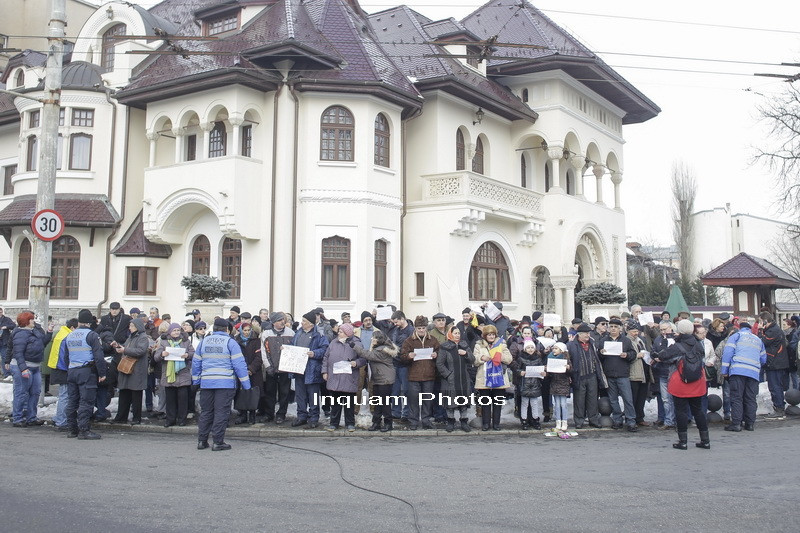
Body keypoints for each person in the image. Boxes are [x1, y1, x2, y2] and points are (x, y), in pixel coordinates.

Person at [192, 318, 250, 450]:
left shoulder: (204, 342)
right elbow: (239, 365)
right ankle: (218, 442)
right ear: (227, 330)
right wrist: (246, 384)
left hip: (206, 383)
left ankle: (202, 441)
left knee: (206, 412)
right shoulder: (231, 342)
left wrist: (196, 380)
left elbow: (196, 363)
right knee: (221, 412)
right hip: (225, 384)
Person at [57, 309, 108, 439]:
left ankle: (72, 430)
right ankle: (84, 431)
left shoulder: (70, 335)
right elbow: (98, 356)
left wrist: (70, 369)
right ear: (89, 322)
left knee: (72, 401)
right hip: (86, 372)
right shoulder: (92, 335)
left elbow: (66, 356)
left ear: (79, 321)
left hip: (72, 371)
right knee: (86, 402)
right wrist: (102, 373)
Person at [665, 319, 711, 450]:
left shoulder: (677, 346)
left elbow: (664, 356)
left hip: (680, 381)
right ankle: (705, 440)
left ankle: (683, 442)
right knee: (698, 410)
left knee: (681, 411)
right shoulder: (699, 344)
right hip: (697, 380)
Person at [3, 311, 53, 427]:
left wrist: (49, 332)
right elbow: (18, 353)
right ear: (26, 321)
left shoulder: (34, 331)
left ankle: (31, 417)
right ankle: (18, 418)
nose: (33, 321)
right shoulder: (20, 333)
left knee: (35, 393)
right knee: (21, 393)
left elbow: (42, 343)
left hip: (35, 366)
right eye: (31, 319)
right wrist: (23, 369)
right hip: (23, 366)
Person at [720, 321, 767, 432]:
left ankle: (736, 424)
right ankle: (750, 424)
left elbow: (727, 354)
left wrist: (724, 371)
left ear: (740, 328)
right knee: (750, 398)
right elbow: (764, 359)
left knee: (737, 398)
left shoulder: (736, 336)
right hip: (753, 373)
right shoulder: (758, 340)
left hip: (738, 371)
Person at [322, 323, 366, 432]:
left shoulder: (356, 344)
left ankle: (350, 424)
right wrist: (324, 371)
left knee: (349, 403)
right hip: (335, 376)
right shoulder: (333, 342)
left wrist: (355, 363)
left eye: (341, 332)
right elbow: (326, 358)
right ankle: (334, 423)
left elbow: (363, 358)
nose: (338, 333)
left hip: (348, 377)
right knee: (335, 403)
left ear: (347, 333)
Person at [399, 316, 440, 430]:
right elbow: (402, 356)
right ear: (415, 329)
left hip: (429, 374)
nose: (421, 330)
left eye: (423, 328)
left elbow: (439, 352)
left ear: (426, 328)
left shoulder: (433, 340)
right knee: (413, 400)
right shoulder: (409, 341)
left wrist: (436, 355)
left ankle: (426, 420)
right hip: (414, 375)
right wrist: (408, 356)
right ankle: (413, 421)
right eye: (419, 328)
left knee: (427, 399)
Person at [598, 318, 638, 432]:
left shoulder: (626, 341)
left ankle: (631, 421)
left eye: (616, 327)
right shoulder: (603, 340)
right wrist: (601, 353)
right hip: (610, 374)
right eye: (611, 327)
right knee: (613, 400)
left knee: (627, 399)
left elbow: (633, 354)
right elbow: (599, 357)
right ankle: (617, 420)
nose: (613, 329)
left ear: (620, 329)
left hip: (622, 374)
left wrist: (627, 355)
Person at [354, 329, 399, 432]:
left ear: (378, 339)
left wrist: (354, 346)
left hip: (385, 379)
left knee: (384, 402)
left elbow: (368, 355)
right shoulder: (378, 348)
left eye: (373, 337)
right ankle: (376, 422)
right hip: (378, 378)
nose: (372, 339)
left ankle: (388, 423)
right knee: (377, 401)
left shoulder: (382, 350)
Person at [153, 323, 195, 427]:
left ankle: (182, 419)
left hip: (183, 373)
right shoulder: (163, 342)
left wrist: (187, 355)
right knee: (170, 399)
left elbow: (193, 353)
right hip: (169, 374)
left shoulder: (186, 341)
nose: (176, 332)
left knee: (183, 399)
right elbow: (156, 357)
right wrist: (162, 354)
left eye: (178, 330)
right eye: (174, 330)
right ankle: (170, 419)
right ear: (169, 332)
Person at [291, 312, 329, 428]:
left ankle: (314, 418)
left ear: (311, 324)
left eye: (304, 321)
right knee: (300, 395)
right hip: (299, 369)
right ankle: (301, 416)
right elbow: (292, 346)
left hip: (312, 370)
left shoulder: (319, 335)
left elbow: (325, 350)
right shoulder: (298, 333)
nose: (301, 323)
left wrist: (314, 353)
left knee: (313, 395)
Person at [435, 325, 474, 432]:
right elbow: (439, 363)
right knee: (450, 403)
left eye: (458, 333)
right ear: (450, 334)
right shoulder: (444, 346)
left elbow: (472, 359)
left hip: (463, 378)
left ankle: (464, 421)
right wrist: (448, 374)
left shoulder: (464, 345)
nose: (457, 335)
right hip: (450, 379)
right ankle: (450, 421)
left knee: (463, 402)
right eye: (455, 333)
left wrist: (466, 353)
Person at [473, 325, 512, 431]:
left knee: (497, 402)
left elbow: (509, 359)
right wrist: (481, 358)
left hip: (498, 377)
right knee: (485, 402)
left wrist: (500, 357)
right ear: (485, 335)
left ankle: (496, 423)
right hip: (484, 377)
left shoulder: (502, 344)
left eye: (493, 334)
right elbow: (474, 359)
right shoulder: (478, 345)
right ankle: (486, 423)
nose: (491, 336)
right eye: (489, 334)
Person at [112, 318, 151, 425]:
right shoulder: (131, 337)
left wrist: (124, 350)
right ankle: (121, 417)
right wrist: (119, 346)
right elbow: (127, 347)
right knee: (124, 393)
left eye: (131, 326)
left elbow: (140, 351)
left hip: (136, 370)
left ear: (137, 327)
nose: (129, 328)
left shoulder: (143, 337)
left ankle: (136, 418)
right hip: (127, 369)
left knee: (136, 396)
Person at [567, 323, 606, 429]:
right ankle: (579, 421)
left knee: (592, 399)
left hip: (592, 375)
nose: (588, 335)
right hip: (578, 376)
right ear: (579, 334)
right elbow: (568, 360)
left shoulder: (592, 343)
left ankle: (593, 419)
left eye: (588, 333)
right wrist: (570, 374)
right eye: (585, 333)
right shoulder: (571, 345)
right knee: (579, 400)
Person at [261, 311, 295, 424]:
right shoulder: (266, 333)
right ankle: (269, 413)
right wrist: (268, 366)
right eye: (279, 320)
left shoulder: (291, 333)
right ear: (274, 322)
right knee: (270, 392)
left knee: (284, 392)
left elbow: (294, 349)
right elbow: (264, 352)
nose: (282, 322)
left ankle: (281, 414)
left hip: (285, 368)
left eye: (283, 320)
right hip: (272, 367)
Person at [48, 318, 78, 431]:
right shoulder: (67, 337)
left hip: (58, 368)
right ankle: (61, 420)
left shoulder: (62, 333)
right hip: (63, 370)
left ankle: (59, 418)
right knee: (65, 396)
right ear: (73, 328)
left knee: (63, 396)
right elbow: (64, 357)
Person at [759, 311, 789, 416]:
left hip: (775, 363)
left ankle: (779, 408)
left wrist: (760, 330)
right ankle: (779, 406)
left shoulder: (773, 331)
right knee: (775, 386)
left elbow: (763, 341)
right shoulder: (774, 329)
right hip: (775, 362)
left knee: (775, 386)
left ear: (765, 321)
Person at [626, 320, 653, 427]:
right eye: (633, 331)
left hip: (644, 372)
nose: (635, 333)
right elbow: (626, 356)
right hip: (634, 373)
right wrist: (637, 356)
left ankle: (640, 417)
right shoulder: (626, 341)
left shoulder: (640, 340)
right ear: (628, 331)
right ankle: (632, 418)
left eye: (636, 331)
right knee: (633, 398)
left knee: (642, 397)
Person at [651, 321, 677, 429]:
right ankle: (669, 421)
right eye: (661, 329)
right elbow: (653, 351)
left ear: (671, 328)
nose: (663, 332)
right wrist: (655, 357)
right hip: (662, 372)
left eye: (665, 329)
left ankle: (676, 420)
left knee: (675, 398)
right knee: (665, 399)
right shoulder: (658, 339)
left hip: (674, 372)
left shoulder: (676, 339)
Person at [515, 339, 545, 430]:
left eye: (532, 347)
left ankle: (535, 420)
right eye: (528, 347)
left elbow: (542, 369)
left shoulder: (538, 358)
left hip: (535, 384)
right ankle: (524, 420)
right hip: (525, 384)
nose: (530, 349)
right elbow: (516, 369)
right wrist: (520, 372)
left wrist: (543, 373)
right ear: (524, 349)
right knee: (524, 403)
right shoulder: (521, 358)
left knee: (534, 403)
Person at [238, 322, 263, 426]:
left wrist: (251, 369)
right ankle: (242, 415)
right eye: (245, 330)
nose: (247, 332)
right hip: (240, 371)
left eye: (248, 330)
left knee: (253, 393)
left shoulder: (256, 341)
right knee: (241, 393)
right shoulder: (236, 341)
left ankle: (252, 415)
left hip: (254, 372)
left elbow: (259, 357)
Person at [549, 342, 572, 432]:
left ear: (561, 350)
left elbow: (571, 372)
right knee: (557, 404)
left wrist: (568, 368)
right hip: (554, 383)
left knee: (563, 404)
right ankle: (558, 421)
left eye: (556, 348)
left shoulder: (566, 358)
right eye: (553, 348)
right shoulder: (550, 358)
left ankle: (564, 421)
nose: (554, 350)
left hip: (563, 383)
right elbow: (550, 374)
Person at [0, 307, 17, 379]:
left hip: (4, 341)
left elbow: (14, 326)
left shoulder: (6, 319)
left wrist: (6, 327)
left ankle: (7, 374)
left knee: (5, 357)